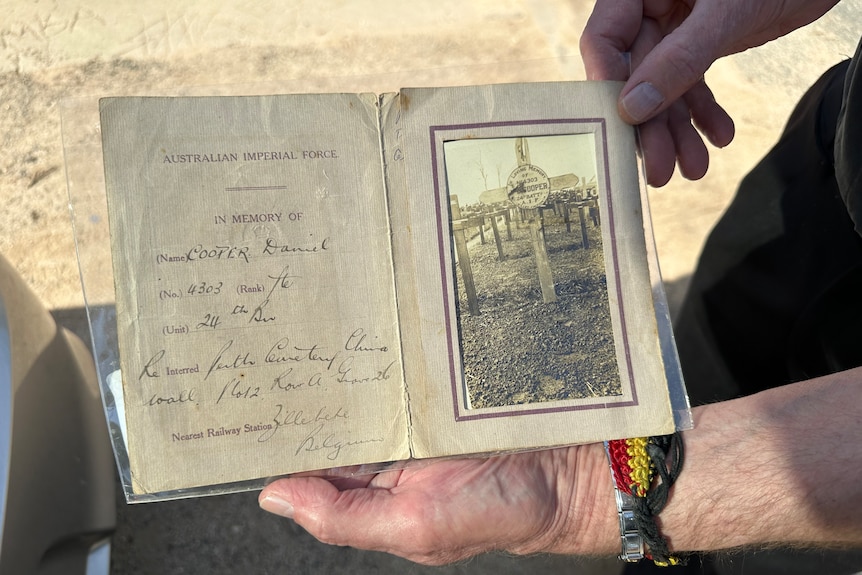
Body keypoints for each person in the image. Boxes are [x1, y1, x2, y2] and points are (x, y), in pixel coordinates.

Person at [258, 0, 862, 569]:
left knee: (784, 547)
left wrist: (584, 498)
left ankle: (670, 534)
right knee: (701, 368)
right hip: (839, 148)